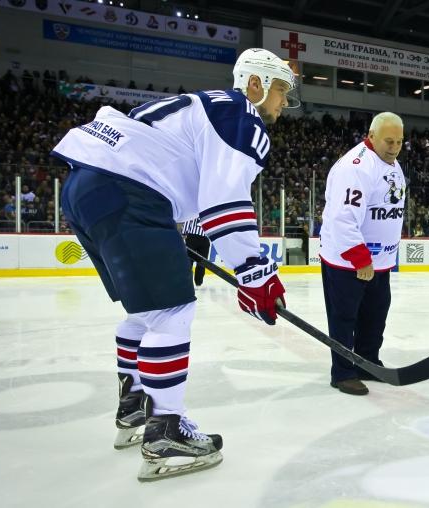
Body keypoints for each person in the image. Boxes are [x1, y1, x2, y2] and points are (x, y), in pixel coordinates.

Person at [50, 48, 298, 480]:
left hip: (84, 186)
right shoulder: (243, 116)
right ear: (255, 84)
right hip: (129, 191)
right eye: (280, 90)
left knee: (145, 313)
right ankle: (165, 430)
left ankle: (134, 408)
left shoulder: (205, 104)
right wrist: (254, 272)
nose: (282, 103)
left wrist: (192, 232)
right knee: (171, 311)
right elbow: (225, 201)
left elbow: (174, 168)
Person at [319, 112, 406, 396]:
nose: (394, 147)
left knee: (375, 316)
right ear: (371, 136)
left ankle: (368, 363)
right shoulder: (355, 167)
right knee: (345, 318)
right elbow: (342, 218)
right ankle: (343, 372)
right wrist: (360, 258)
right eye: (388, 141)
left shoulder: (392, 164)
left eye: (399, 141)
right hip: (348, 263)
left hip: (379, 263)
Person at [181, 217, 210, 287]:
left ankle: (186, 281)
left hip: (192, 238)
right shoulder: (207, 213)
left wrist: (184, 233)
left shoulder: (194, 211)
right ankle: (198, 282)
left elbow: (188, 222)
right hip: (205, 239)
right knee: (202, 262)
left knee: (188, 261)